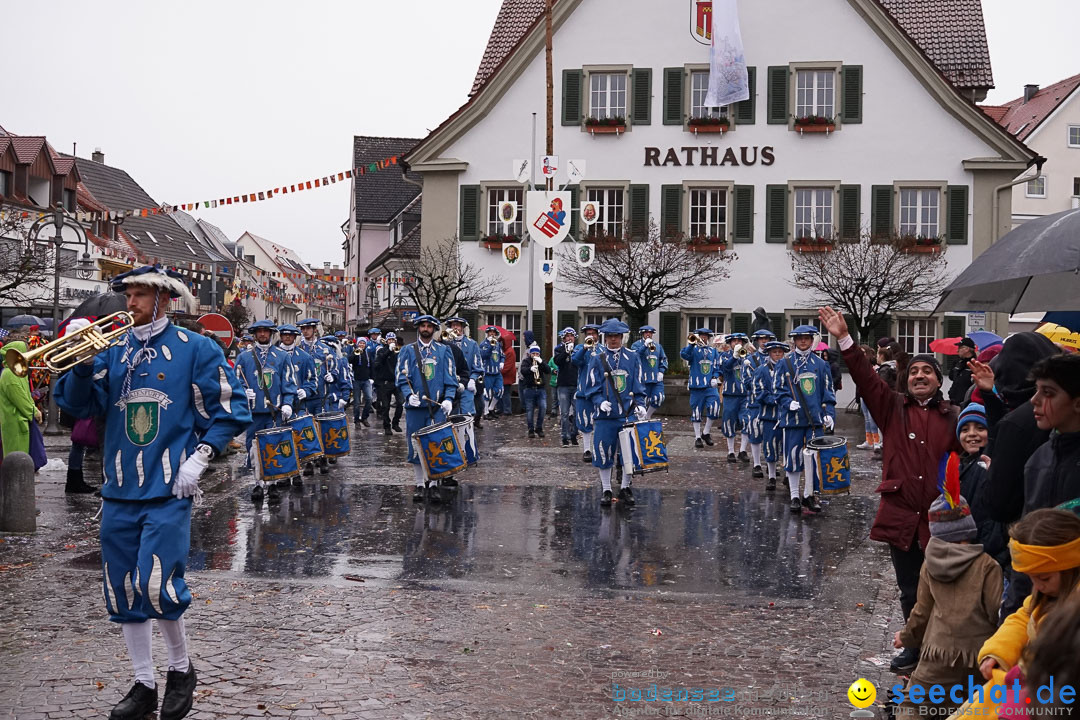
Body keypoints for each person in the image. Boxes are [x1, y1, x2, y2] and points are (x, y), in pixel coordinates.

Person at [55, 265, 251, 720]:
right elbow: (79, 406)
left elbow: (230, 408)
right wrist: (83, 368)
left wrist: (200, 457)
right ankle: (144, 683)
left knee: (157, 582)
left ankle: (181, 669)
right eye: (128, 295)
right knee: (123, 587)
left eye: (140, 295)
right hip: (119, 487)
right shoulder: (114, 349)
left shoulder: (196, 348)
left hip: (167, 486)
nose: (130, 303)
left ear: (164, 299)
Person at [820, 306, 959, 675]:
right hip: (902, 515)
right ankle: (914, 648)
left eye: (927, 371)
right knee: (910, 589)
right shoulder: (893, 408)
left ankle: (940, 649)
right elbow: (866, 380)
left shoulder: (954, 416)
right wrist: (845, 340)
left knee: (944, 589)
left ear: (938, 379)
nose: (919, 376)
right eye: (913, 371)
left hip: (943, 520)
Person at [891, 481, 1002, 719]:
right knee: (971, 710)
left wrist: (906, 637)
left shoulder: (929, 566)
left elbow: (921, 612)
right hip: (979, 656)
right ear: (968, 529)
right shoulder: (987, 566)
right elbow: (996, 612)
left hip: (938, 655)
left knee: (913, 706)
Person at [956, 509, 1080, 719]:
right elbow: (1024, 616)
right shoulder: (1052, 592)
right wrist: (999, 653)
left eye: (1044, 578)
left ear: (1071, 567)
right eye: (1032, 578)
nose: (1037, 586)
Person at [581, 319, 647, 507]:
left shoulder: (633, 357)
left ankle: (626, 487)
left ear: (622, 337)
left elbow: (638, 384)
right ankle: (606, 489)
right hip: (605, 417)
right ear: (605, 337)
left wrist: (640, 404)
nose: (613, 340)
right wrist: (599, 402)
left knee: (629, 454)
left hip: (627, 413)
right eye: (609, 336)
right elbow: (591, 386)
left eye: (616, 336)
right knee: (603, 452)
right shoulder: (597, 357)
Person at [773, 324, 836, 515]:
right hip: (792, 419)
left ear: (811, 340)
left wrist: (829, 414)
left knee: (813, 460)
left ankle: (809, 495)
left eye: (806, 338)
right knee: (792, 457)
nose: (803, 341)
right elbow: (777, 389)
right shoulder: (785, 363)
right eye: (799, 338)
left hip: (814, 420)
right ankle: (794, 495)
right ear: (794, 340)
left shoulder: (821, 364)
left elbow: (828, 392)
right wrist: (786, 402)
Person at [395, 316, 457, 503]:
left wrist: (448, 399)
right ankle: (420, 484)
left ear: (434, 329)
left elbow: (451, 379)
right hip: (415, 408)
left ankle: (433, 484)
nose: (426, 328)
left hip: (436, 408)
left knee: (436, 445)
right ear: (418, 328)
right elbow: (400, 377)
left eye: (429, 326)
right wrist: (408, 395)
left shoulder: (444, 351)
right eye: (423, 325)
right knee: (415, 446)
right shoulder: (407, 350)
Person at [235, 320, 297, 500]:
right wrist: (242, 392)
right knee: (253, 448)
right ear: (254, 334)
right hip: (253, 412)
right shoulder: (245, 357)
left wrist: (288, 403)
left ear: (271, 333)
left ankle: (273, 484)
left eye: (266, 331)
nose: (262, 334)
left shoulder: (282, 356)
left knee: (273, 446)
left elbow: (289, 382)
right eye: (259, 332)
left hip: (274, 411)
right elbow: (235, 381)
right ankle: (258, 483)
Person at [954, 405, 1009, 567]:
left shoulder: (992, 462)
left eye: (980, 428)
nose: (971, 433)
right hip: (967, 549)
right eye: (964, 429)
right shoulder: (961, 466)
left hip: (990, 553)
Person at [276, 324, 318, 475]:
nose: (287, 338)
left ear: (295, 337)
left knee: (299, 438)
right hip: (279, 405)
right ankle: (285, 473)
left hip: (299, 404)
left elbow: (312, 380)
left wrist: (306, 391)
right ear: (280, 336)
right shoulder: (273, 355)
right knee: (281, 440)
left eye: (290, 335)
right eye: (284, 335)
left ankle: (300, 468)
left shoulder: (305, 357)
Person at [749, 340, 788, 491]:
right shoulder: (761, 370)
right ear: (769, 353)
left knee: (787, 446)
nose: (777, 355)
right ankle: (771, 476)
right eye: (774, 352)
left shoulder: (789, 369)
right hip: (769, 416)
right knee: (770, 446)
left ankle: (787, 474)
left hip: (786, 416)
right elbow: (758, 392)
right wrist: (776, 399)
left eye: (780, 352)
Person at [680, 328, 722, 449]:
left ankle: (706, 432)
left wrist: (715, 377)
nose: (703, 338)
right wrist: (691, 344)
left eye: (705, 336)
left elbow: (717, 366)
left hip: (710, 386)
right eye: (701, 336)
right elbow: (684, 355)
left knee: (715, 408)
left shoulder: (713, 351)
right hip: (696, 386)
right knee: (697, 411)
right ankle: (697, 437)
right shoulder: (693, 350)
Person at [0, 340, 40, 460]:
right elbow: (20, 399)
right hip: (15, 422)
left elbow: (25, 396)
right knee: (16, 459)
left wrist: (34, 409)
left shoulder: (17, 372)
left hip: (20, 421)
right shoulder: (9, 374)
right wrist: (34, 411)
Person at [718, 332, 752, 463]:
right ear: (730, 343)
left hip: (745, 395)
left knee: (746, 421)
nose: (737, 343)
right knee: (729, 422)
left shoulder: (747, 356)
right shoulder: (724, 356)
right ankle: (730, 451)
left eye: (739, 341)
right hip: (730, 395)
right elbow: (725, 368)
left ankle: (743, 450)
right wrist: (734, 356)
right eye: (734, 341)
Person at [446, 316, 484, 423]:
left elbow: (478, 365)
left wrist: (472, 379)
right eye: (453, 325)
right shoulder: (445, 343)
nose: (455, 328)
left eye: (457, 325)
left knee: (467, 415)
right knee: (451, 416)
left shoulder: (472, 344)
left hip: (467, 383)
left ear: (463, 327)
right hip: (451, 384)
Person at [573, 324, 601, 461]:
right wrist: (584, 348)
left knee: (600, 420)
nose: (591, 336)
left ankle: (598, 448)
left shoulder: (603, 349)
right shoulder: (580, 348)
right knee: (585, 421)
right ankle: (587, 450)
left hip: (600, 391)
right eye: (588, 333)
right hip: (584, 391)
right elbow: (575, 361)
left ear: (598, 335)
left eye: (593, 333)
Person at [631, 325, 668, 420]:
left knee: (659, 398)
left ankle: (648, 415)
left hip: (656, 379)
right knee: (642, 401)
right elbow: (635, 356)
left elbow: (663, 359)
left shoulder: (658, 346)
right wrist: (644, 346)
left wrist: (661, 372)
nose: (648, 334)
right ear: (642, 334)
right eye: (646, 332)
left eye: (650, 333)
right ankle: (641, 418)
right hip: (642, 379)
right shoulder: (636, 345)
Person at [553, 327, 580, 447]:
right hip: (563, 384)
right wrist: (566, 352)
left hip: (575, 384)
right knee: (564, 413)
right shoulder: (559, 349)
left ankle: (574, 435)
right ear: (563, 338)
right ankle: (565, 437)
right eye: (567, 336)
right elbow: (557, 361)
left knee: (576, 412)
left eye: (571, 336)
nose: (570, 338)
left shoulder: (578, 349)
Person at [373, 332, 403, 436]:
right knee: (385, 406)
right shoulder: (382, 350)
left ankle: (395, 423)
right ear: (386, 341)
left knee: (400, 402)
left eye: (393, 340)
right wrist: (388, 351)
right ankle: (387, 426)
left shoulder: (398, 351)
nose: (391, 342)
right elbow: (377, 363)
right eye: (389, 340)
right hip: (385, 382)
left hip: (396, 382)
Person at [518, 343, 551, 438]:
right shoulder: (526, 361)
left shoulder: (541, 361)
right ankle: (531, 429)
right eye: (533, 354)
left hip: (540, 389)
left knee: (543, 407)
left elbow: (548, 370)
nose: (535, 355)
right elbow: (523, 370)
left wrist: (541, 362)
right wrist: (530, 369)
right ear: (530, 354)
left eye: (537, 354)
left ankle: (539, 428)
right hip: (529, 388)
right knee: (529, 410)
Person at [856, 345, 881, 451]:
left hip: (871, 395)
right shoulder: (859, 366)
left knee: (872, 418)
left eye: (863, 352)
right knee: (866, 418)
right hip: (863, 394)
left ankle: (876, 441)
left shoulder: (874, 367)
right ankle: (869, 440)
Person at [479, 326, 505, 419]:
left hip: (497, 373)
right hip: (487, 373)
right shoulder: (483, 344)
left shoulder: (498, 344)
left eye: (494, 333)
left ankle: (491, 408)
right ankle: (485, 412)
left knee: (500, 391)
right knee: (487, 393)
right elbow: (483, 355)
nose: (492, 334)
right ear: (487, 333)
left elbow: (502, 355)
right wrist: (491, 346)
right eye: (490, 332)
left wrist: (502, 362)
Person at [350, 336, 373, 427]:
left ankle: (364, 417)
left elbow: (371, 366)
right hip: (356, 380)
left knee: (369, 399)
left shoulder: (368, 353)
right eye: (360, 343)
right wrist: (355, 353)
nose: (362, 345)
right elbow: (349, 360)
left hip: (366, 380)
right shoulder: (355, 352)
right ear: (357, 344)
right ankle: (357, 421)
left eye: (363, 343)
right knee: (357, 402)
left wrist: (372, 377)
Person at [948, 337, 977, 405]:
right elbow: (951, 377)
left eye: (959, 348)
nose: (957, 350)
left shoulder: (975, 364)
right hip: (954, 401)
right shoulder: (958, 362)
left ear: (966, 349)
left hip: (967, 403)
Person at [500, 334, 517, 417]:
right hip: (505, 376)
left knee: (505, 393)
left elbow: (507, 366)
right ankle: (502, 409)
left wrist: (499, 371)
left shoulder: (510, 351)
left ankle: (507, 410)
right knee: (502, 393)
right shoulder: (506, 351)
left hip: (507, 376)